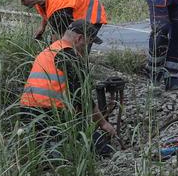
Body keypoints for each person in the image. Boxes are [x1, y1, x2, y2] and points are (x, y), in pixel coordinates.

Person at [18, 19, 116, 154]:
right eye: (89, 43)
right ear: (80, 38)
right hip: (50, 115)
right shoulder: (69, 56)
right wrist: (103, 124)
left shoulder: (49, 50)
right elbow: (84, 99)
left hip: (26, 114)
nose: (87, 48)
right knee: (103, 149)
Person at [14, 0, 109, 49]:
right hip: (72, 8)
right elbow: (47, 9)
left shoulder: (58, 6)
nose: (22, 3)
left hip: (91, 13)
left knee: (77, 49)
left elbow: (57, 41)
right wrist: (42, 27)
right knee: (67, 47)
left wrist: (50, 56)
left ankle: (80, 71)